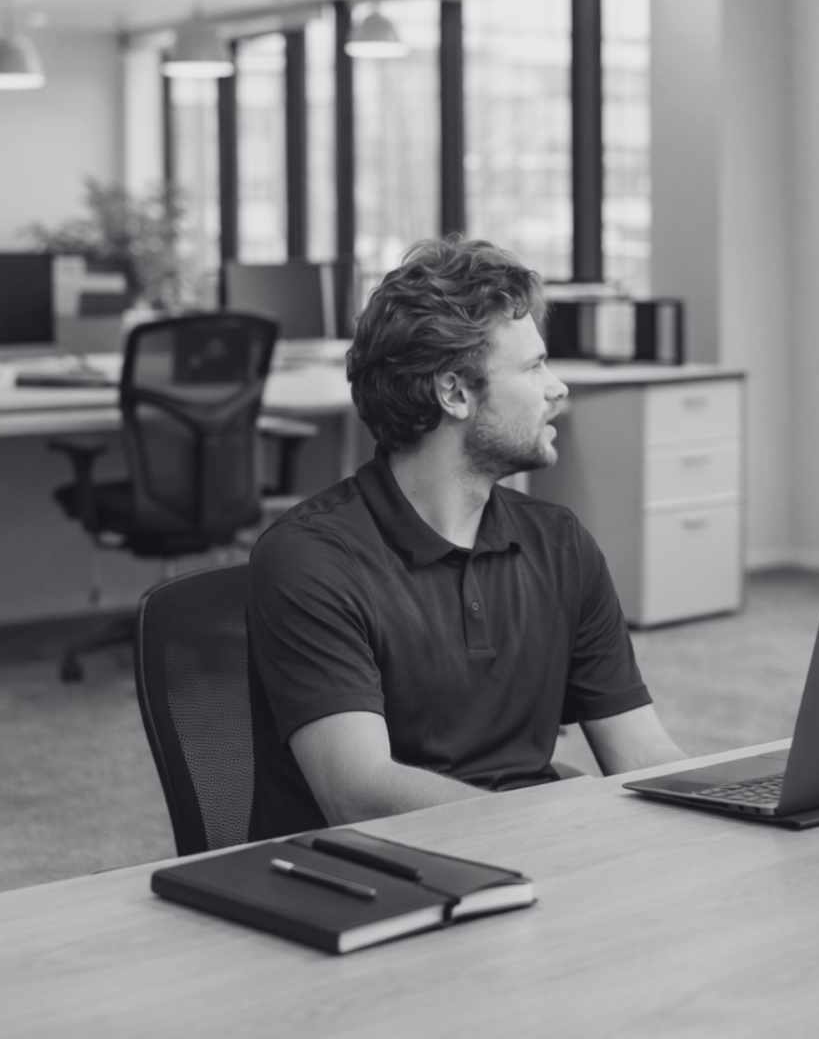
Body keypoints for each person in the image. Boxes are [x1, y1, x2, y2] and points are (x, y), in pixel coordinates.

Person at [246, 237, 688, 837]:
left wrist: (739, 804)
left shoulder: (560, 543)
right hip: (375, 885)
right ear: (454, 392)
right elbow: (360, 794)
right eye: (533, 368)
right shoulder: (311, 559)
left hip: (535, 866)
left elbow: (639, 753)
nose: (558, 389)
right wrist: (549, 818)